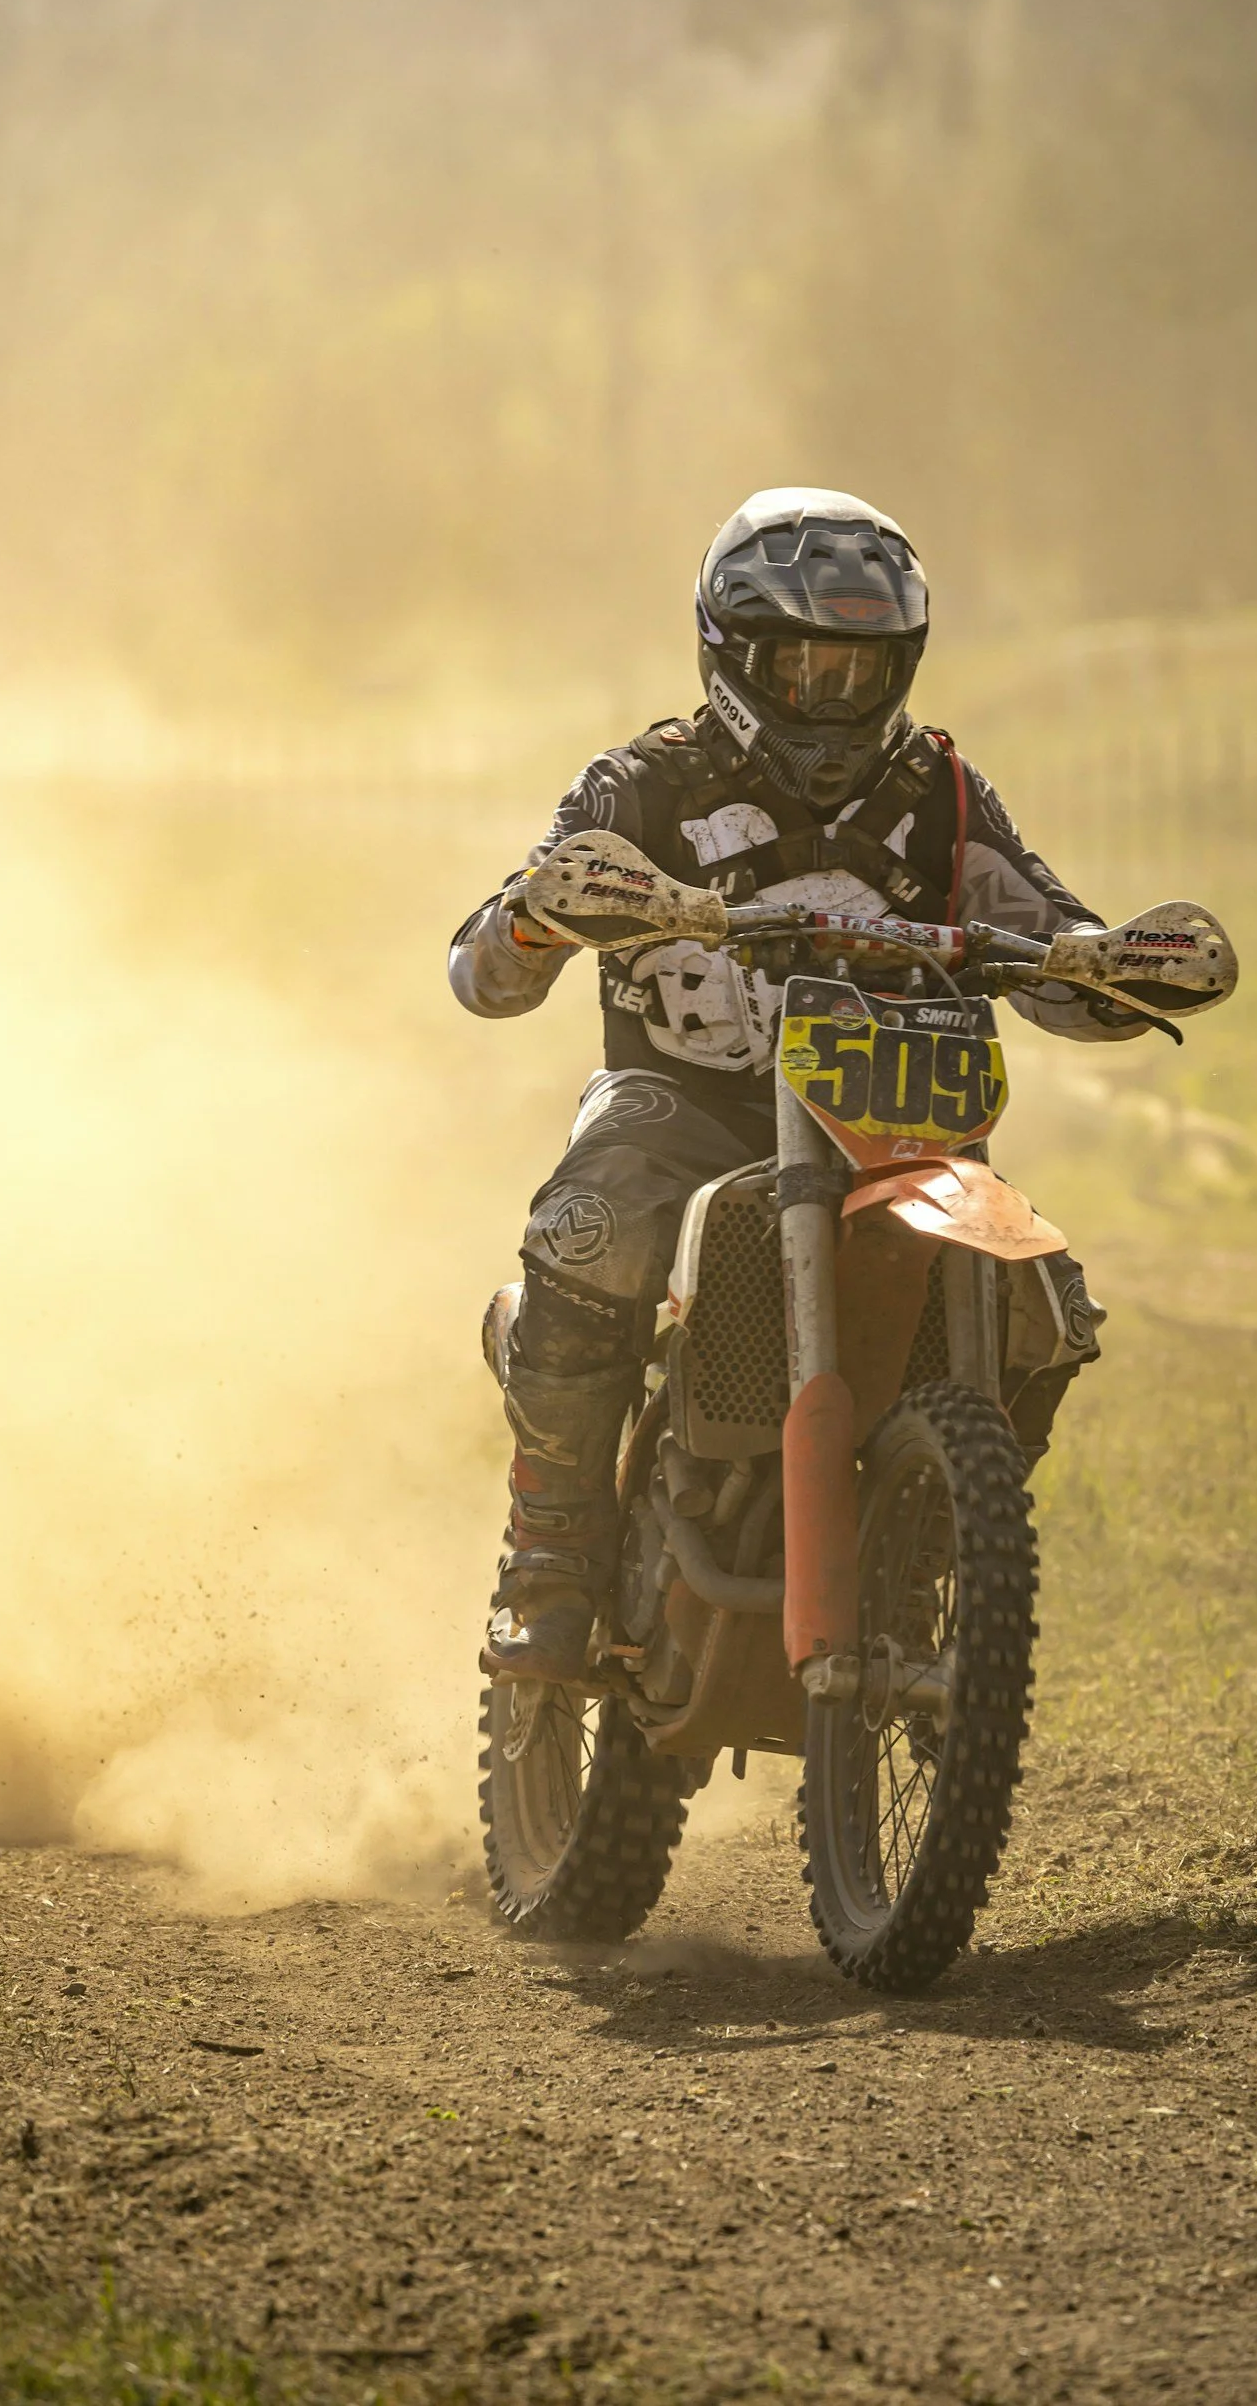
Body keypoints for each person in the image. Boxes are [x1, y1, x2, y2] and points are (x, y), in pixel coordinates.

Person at [450, 487, 1144, 1683]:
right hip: (685, 1105)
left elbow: (1046, 931)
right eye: (802, 666)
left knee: (1048, 1303)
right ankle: (549, 1557)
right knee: (590, 1221)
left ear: (903, 667)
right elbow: (482, 972)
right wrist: (537, 917)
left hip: (893, 1120)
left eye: (859, 671)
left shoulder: (943, 794)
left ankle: (929, 1527)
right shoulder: (642, 784)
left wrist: (1108, 964)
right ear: (731, 655)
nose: (832, 697)